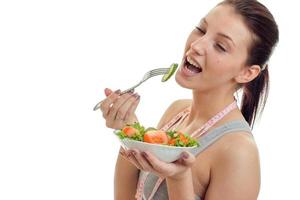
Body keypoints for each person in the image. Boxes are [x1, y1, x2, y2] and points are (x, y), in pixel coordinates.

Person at [98, 0, 279, 199]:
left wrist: (179, 178)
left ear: (247, 73)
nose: (196, 45)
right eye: (201, 29)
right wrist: (129, 135)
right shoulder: (176, 112)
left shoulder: (239, 152)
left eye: (220, 46)